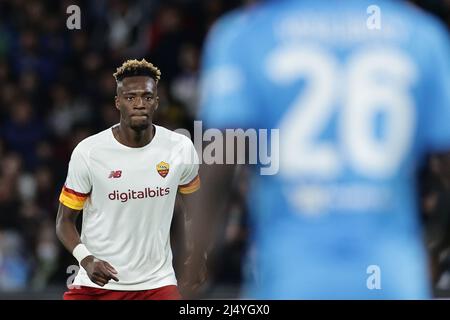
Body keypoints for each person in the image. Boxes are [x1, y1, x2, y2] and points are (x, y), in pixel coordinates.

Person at [197, 0, 450, 299]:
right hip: (393, 280)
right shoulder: (421, 35)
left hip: (290, 280)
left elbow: (218, 166)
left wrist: (192, 272)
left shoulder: (244, 34)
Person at [56, 59, 205, 300]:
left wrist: (199, 254)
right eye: (130, 97)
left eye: (147, 97)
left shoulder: (180, 148)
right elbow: (64, 221)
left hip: (157, 284)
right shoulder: (89, 152)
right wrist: (86, 258)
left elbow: (195, 211)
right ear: (118, 102)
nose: (139, 104)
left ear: (156, 102)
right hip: (97, 287)